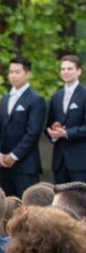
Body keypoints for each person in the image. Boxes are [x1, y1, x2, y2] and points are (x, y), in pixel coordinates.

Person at [0, 57, 46, 197]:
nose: (13, 75)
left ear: (27, 74)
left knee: (28, 206)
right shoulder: (5, 99)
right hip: (4, 166)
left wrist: (13, 156)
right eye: (11, 72)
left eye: (17, 72)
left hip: (26, 166)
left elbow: (33, 133)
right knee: (7, 206)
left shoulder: (36, 99)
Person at [46, 54, 86, 184]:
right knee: (60, 197)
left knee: (81, 197)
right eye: (63, 69)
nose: (65, 71)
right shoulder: (55, 97)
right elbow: (48, 123)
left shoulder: (85, 94)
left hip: (81, 161)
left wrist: (67, 133)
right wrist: (54, 131)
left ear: (79, 71)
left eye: (70, 68)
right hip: (59, 161)